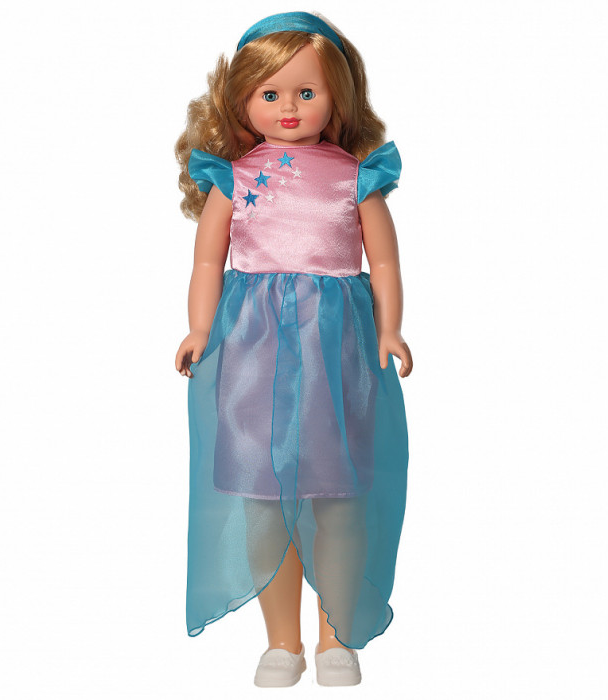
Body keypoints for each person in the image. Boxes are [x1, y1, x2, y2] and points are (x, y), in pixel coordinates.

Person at [174, 11, 413, 687]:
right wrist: (199, 329)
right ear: (242, 99)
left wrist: (390, 327)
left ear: (338, 95)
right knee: (262, 498)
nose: (288, 107)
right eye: (270, 93)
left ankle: (337, 636)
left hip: (338, 353)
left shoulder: (355, 177)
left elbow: (385, 263)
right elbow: (207, 262)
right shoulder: (233, 177)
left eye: (307, 92)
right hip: (252, 352)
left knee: (339, 497)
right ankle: (283, 641)